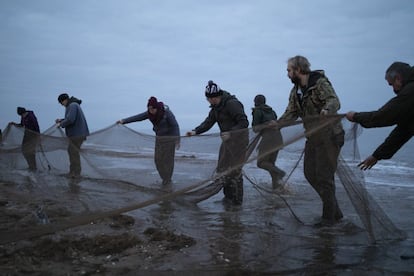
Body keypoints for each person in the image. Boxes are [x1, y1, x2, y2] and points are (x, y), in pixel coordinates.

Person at [278, 55, 345, 226]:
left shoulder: (319, 83)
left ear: (298, 70)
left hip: (330, 136)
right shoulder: (295, 91)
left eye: (289, 70)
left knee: (324, 177)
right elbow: (291, 113)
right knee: (309, 173)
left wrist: (326, 110)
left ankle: (328, 219)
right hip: (313, 137)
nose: (287, 74)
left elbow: (334, 100)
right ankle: (335, 211)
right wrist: (276, 125)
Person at [186, 80, 249, 205]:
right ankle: (228, 197)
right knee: (222, 169)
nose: (212, 100)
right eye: (209, 98)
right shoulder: (215, 108)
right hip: (227, 142)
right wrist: (195, 131)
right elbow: (208, 122)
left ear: (220, 95)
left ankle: (237, 202)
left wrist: (231, 132)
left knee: (235, 170)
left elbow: (244, 122)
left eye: (214, 97)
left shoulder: (232, 104)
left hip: (239, 141)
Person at [346, 62, 414, 170]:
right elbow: (402, 131)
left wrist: (355, 116)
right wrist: (377, 156)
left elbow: (382, 117)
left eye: (391, 84)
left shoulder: (410, 92)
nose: (394, 90)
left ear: (398, 78)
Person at [117, 96, 180, 185]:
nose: (150, 111)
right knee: (157, 160)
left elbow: (175, 126)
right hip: (159, 139)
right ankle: (164, 177)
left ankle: (167, 179)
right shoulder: (149, 114)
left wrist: (177, 140)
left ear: (156, 108)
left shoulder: (166, 113)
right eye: (149, 109)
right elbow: (137, 117)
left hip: (169, 139)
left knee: (168, 160)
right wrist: (123, 121)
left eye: (152, 109)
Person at [251, 94, 285, 189]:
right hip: (278, 138)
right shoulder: (272, 111)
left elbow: (255, 128)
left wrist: (262, 126)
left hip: (268, 139)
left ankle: (280, 172)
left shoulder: (257, 111)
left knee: (261, 163)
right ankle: (277, 188)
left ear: (256, 102)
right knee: (271, 164)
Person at [55, 93, 90, 178]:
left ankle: (75, 173)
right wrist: (61, 120)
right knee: (72, 152)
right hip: (78, 134)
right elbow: (70, 118)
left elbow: (71, 119)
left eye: (61, 103)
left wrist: (61, 124)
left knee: (73, 152)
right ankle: (73, 172)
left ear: (65, 100)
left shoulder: (72, 105)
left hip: (77, 135)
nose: (61, 105)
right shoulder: (73, 105)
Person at [9, 107, 40, 171]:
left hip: (33, 136)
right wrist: (14, 124)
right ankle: (30, 166)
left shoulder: (31, 116)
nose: (22, 116)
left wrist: (38, 136)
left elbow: (36, 126)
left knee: (31, 151)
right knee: (24, 150)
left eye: (22, 115)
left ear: (24, 112)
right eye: (21, 115)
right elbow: (21, 125)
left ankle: (33, 167)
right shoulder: (23, 117)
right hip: (26, 135)